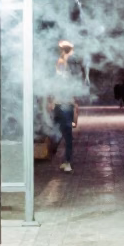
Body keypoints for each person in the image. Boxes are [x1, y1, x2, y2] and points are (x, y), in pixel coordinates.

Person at [49, 40, 80, 172]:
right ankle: (66, 161)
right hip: (63, 103)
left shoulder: (63, 65)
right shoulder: (62, 64)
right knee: (63, 133)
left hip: (63, 103)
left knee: (64, 133)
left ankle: (67, 161)